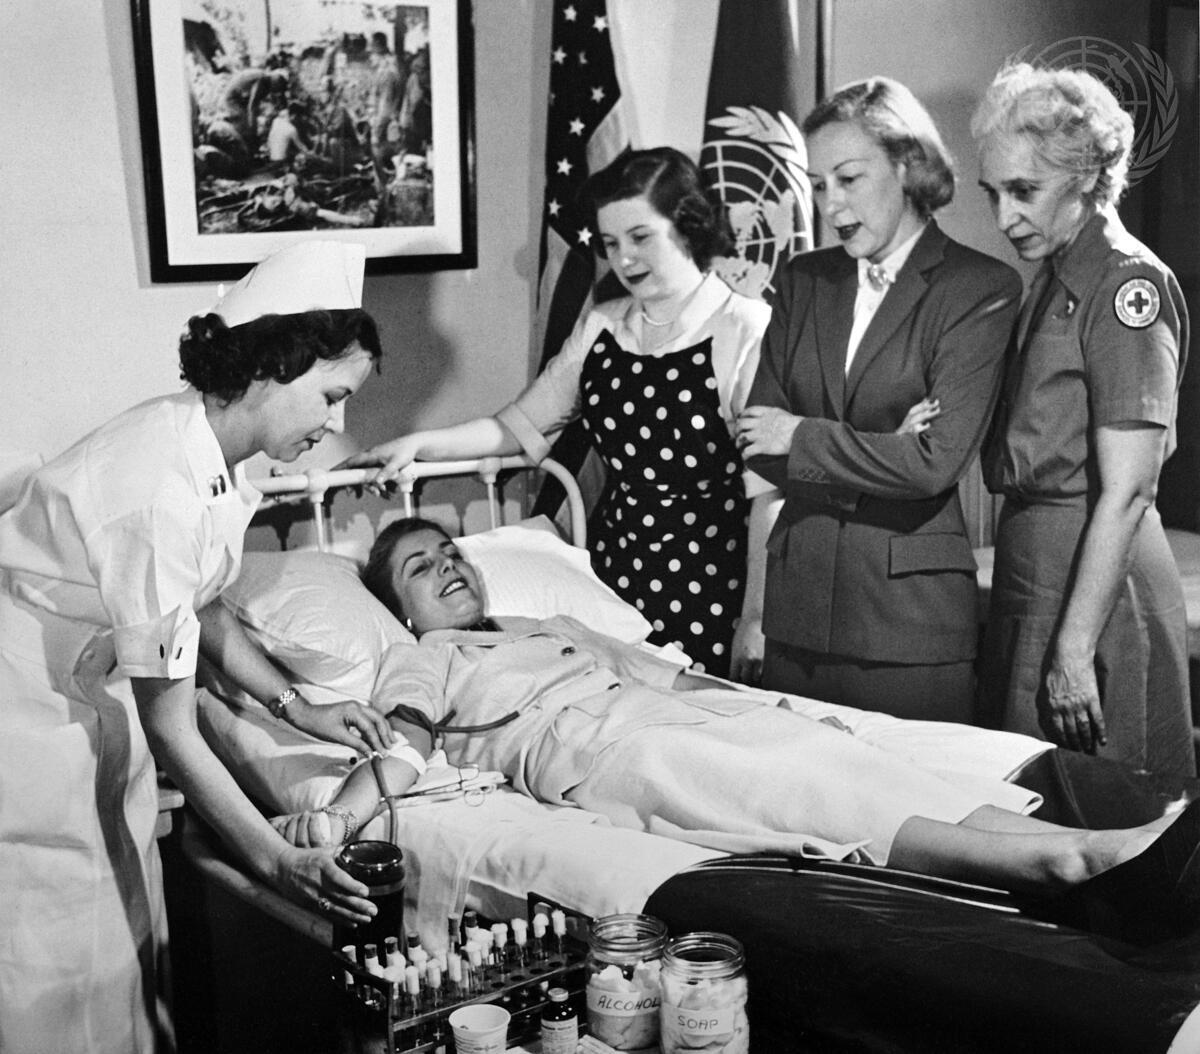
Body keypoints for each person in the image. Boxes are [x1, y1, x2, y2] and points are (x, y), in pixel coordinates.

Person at [271, 517, 1200, 946]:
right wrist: (336, 817)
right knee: (809, 793)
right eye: (422, 568)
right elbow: (399, 746)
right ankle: (1069, 866)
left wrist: (771, 703)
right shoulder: (425, 658)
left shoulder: (545, 623)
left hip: (681, 712)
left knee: (842, 754)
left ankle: (1090, 853)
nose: (449, 568)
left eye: (453, 553)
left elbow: (674, 674)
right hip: (612, 752)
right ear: (399, 608)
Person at [0, 242, 398, 1054]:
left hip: (85, 692)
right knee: (50, 962)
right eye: (331, 397)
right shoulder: (158, 488)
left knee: (120, 940)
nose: (336, 426)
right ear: (274, 367)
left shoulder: (207, 448)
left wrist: (300, 706)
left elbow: (200, 601)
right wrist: (274, 862)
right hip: (22, 711)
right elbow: (172, 727)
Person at [347, 148, 779, 680]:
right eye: (611, 244)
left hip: (716, 583)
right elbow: (516, 427)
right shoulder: (603, 325)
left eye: (640, 237)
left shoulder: (745, 328)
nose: (624, 260)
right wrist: (417, 445)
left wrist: (756, 618)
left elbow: (769, 494)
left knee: (712, 713)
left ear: (688, 226)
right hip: (614, 582)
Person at [736, 77, 1022, 722]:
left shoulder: (980, 288)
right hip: (797, 613)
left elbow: (933, 464)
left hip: (908, 625)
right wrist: (885, 448)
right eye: (817, 185)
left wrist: (802, 436)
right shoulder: (804, 279)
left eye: (848, 178)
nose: (830, 205)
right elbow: (757, 442)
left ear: (906, 164)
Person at [971, 64, 1193, 777]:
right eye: (993, 193)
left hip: (1097, 585)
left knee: (1104, 804)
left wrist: (1073, 651)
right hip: (1039, 567)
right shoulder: (1054, 276)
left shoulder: (1127, 285)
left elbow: (1129, 491)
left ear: (1088, 177)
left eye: (1024, 191)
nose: (1004, 217)